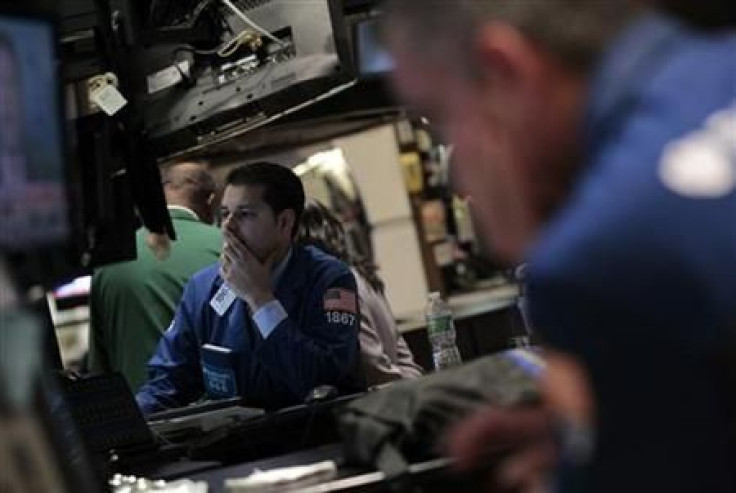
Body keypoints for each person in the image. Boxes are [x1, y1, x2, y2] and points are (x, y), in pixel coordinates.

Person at [383, 1, 736, 492]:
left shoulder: (600, 261)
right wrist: (609, 430)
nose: (458, 173)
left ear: (503, 70)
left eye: (443, 118)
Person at [135, 162, 362, 414]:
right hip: (236, 444)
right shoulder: (203, 288)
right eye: (225, 212)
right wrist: (130, 420)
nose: (227, 226)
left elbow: (321, 377)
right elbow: (168, 382)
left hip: (312, 438)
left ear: (285, 222)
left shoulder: (329, 279)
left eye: (245, 214)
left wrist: (260, 299)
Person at [88, 161, 222, 392]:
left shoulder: (109, 261)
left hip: (140, 415)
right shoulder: (229, 247)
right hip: (218, 412)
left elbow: (100, 370)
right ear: (210, 201)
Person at [297, 198, 422, 386]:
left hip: (383, 400)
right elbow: (402, 354)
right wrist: (414, 385)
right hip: (403, 391)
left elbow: (373, 367)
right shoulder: (363, 275)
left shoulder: (336, 288)